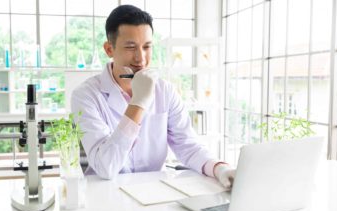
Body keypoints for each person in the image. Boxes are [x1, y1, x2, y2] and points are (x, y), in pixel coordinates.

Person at [71, 5, 235, 188]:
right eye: (130, 47)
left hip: (153, 192)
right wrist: (138, 103)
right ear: (109, 49)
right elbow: (106, 167)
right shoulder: (85, 96)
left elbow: (188, 145)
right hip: (106, 195)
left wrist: (220, 168)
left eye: (147, 47)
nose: (140, 58)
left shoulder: (165, 91)